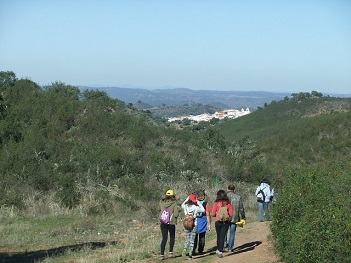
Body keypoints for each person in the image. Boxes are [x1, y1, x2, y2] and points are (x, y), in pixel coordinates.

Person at [181, 193, 205, 260]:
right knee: (192, 240)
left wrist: (188, 197)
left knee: (187, 239)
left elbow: (182, 204)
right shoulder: (196, 208)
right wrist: (198, 202)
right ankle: (190, 255)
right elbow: (203, 210)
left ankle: (185, 249)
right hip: (194, 225)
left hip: (186, 224)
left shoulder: (185, 206)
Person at [211, 190, 233, 258]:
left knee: (218, 236)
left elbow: (213, 214)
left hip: (217, 222)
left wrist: (218, 215)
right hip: (225, 222)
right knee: (223, 236)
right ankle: (220, 251)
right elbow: (231, 214)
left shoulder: (216, 203)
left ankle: (218, 249)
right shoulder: (228, 204)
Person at [159, 189, 179, 260]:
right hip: (171, 222)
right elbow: (176, 214)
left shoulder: (161, 202)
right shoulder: (174, 203)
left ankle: (161, 254)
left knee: (164, 238)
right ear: (173, 195)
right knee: (172, 237)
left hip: (163, 222)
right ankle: (170, 252)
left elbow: (160, 210)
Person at [225, 184, 246, 253]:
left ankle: (225, 244)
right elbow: (241, 209)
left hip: (225, 217)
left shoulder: (224, 197)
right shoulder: (238, 197)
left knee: (224, 232)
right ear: (234, 190)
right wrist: (243, 217)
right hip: (235, 217)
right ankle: (230, 249)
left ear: (227, 189)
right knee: (232, 233)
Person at [192, 190, 211, 255]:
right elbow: (208, 214)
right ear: (204, 196)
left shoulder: (194, 203)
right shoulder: (206, 204)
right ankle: (200, 250)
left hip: (195, 221)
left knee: (194, 236)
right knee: (202, 236)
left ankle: (193, 250)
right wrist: (209, 224)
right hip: (203, 221)